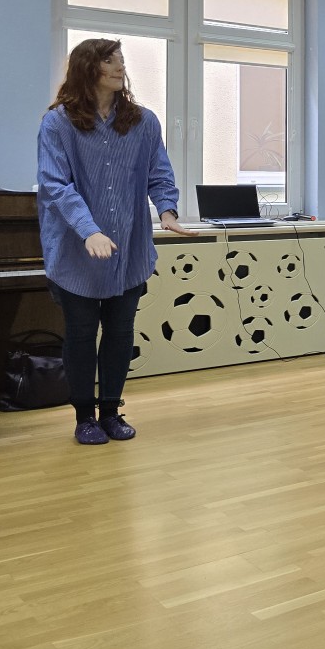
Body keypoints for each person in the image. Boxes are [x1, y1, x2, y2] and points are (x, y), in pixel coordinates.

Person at [37, 38, 197, 445]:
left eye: (121, 60)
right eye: (109, 60)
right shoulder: (58, 123)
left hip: (129, 248)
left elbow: (160, 173)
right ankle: (83, 417)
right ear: (87, 68)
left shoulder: (144, 121)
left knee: (120, 332)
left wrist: (167, 213)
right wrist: (89, 230)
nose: (119, 67)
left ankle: (110, 411)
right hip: (76, 252)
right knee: (80, 333)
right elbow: (55, 185)